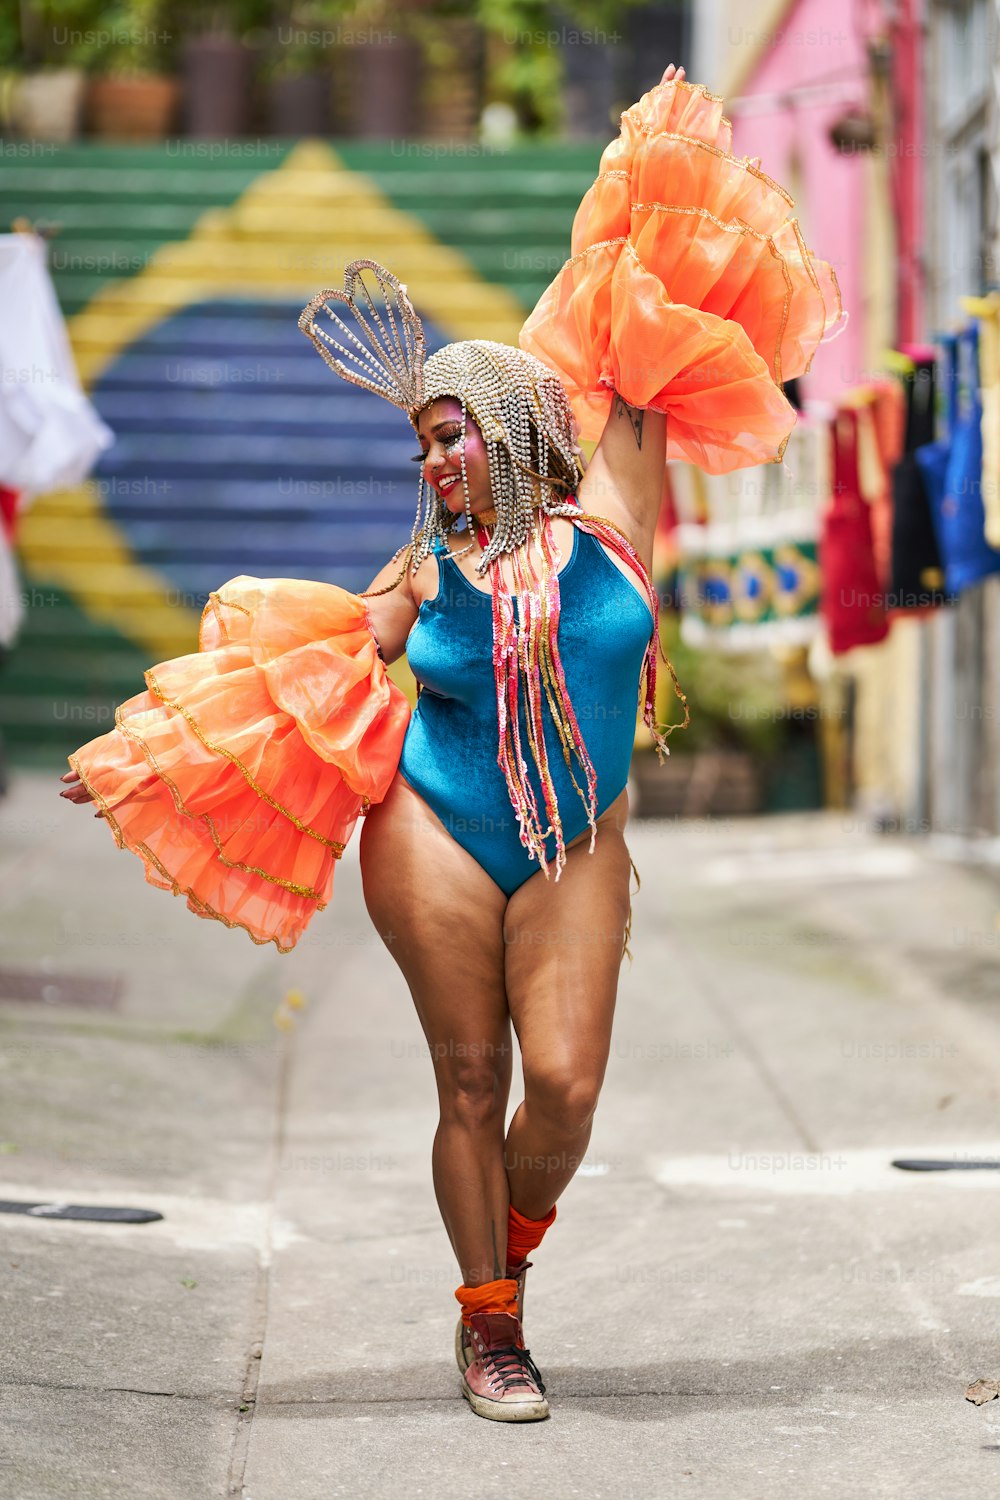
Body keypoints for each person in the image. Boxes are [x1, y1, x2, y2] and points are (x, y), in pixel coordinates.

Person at [59, 64, 842, 1423]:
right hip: (435, 826)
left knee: (571, 1092)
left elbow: (647, 310)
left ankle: (513, 1249)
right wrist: (144, 754)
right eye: (421, 445)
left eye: (453, 436)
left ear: (519, 432)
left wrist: (656, 189)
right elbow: (282, 674)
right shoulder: (419, 571)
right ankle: (491, 1328)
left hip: (579, 835)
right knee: (471, 1074)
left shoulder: (611, 519)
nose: (433, 466)